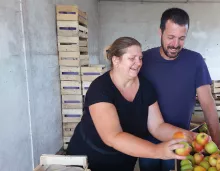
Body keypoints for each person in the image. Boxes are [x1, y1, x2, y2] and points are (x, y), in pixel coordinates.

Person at [66, 36, 196, 171]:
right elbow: (112, 137)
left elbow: (157, 126)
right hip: (90, 159)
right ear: (116, 60)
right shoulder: (100, 88)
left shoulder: (145, 87)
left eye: (140, 58)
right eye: (132, 58)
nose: (138, 63)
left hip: (124, 160)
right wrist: (157, 151)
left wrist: (187, 135)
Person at [139, 8, 220, 171]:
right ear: (160, 32)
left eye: (181, 38)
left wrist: (217, 143)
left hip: (181, 140)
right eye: (170, 37)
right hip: (148, 140)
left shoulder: (195, 61)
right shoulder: (144, 60)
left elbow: (207, 104)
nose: (175, 44)